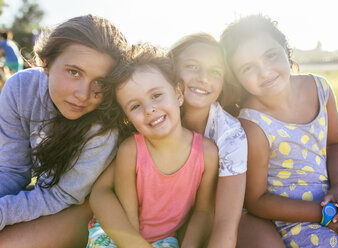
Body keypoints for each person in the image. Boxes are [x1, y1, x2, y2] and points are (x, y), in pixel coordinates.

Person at [220, 14, 338, 248]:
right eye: (247, 67)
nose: (264, 71)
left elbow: (335, 144)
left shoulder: (320, 88)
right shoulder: (253, 123)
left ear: (287, 50)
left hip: (334, 208)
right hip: (294, 222)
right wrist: (324, 215)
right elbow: (257, 200)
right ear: (237, 77)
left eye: (270, 55)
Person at [0, 14, 128, 247]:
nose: (83, 94)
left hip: (87, 206)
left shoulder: (104, 128)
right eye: (74, 72)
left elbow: (61, 195)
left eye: (101, 82)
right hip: (45, 194)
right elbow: (13, 170)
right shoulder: (19, 89)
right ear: (46, 62)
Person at [87, 44, 219, 248]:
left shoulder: (207, 153)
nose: (149, 109)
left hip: (164, 239)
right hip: (119, 234)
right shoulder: (131, 150)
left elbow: (204, 210)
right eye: (135, 106)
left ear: (178, 94)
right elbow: (128, 215)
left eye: (156, 95)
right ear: (128, 118)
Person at [167, 33, 249, 247]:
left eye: (215, 72)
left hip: (211, 216)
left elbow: (226, 223)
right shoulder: (154, 116)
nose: (203, 78)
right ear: (171, 68)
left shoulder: (230, 134)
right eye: (193, 66)